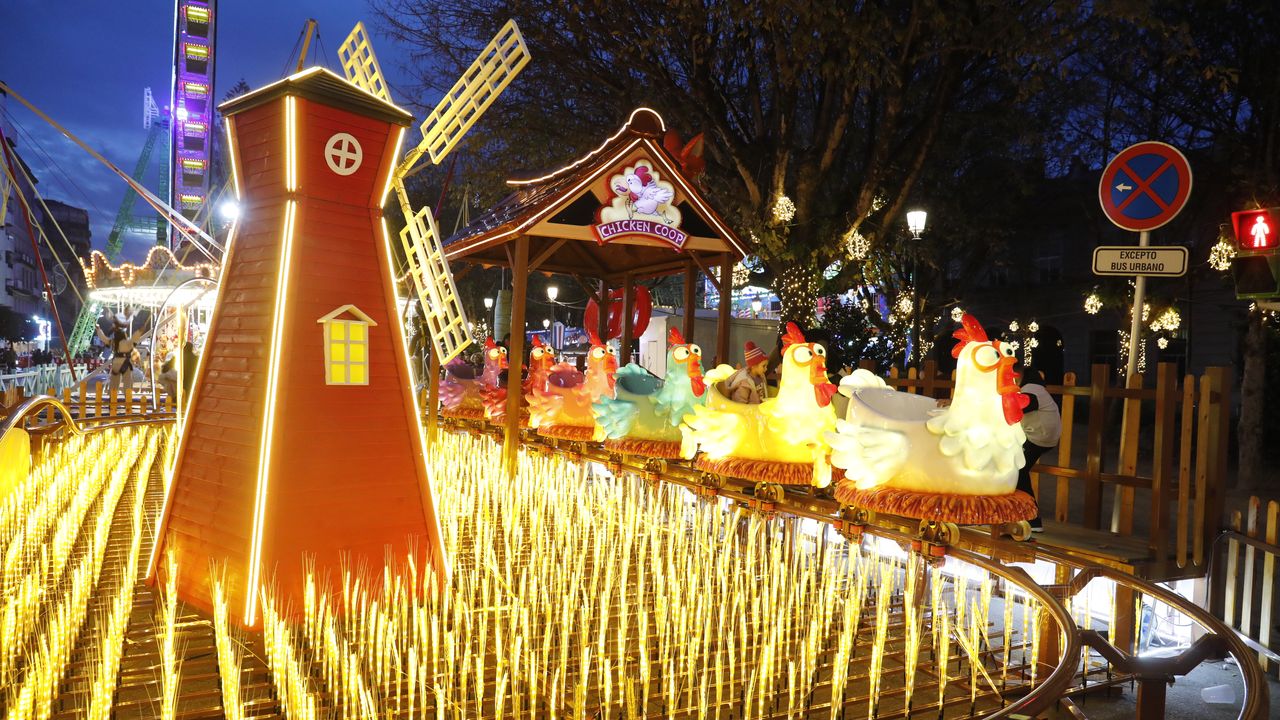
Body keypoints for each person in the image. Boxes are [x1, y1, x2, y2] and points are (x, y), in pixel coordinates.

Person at [1016, 367, 1061, 532]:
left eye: (1016, 377)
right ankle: (1028, 517)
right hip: (1041, 437)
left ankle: (1032, 519)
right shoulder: (1036, 389)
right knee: (1017, 469)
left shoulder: (1031, 389)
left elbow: (1025, 404)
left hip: (1038, 437)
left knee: (1018, 469)